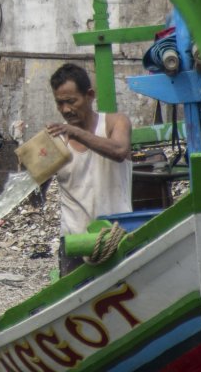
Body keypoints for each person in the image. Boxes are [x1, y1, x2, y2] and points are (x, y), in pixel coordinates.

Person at [45, 63, 132, 274]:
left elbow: (120, 151)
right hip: (75, 243)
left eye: (71, 101)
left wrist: (75, 132)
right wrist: (34, 173)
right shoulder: (56, 142)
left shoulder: (115, 123)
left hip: (116, 237)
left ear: (89, 95)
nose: (66, 109)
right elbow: (35, 195)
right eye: (60, 103)